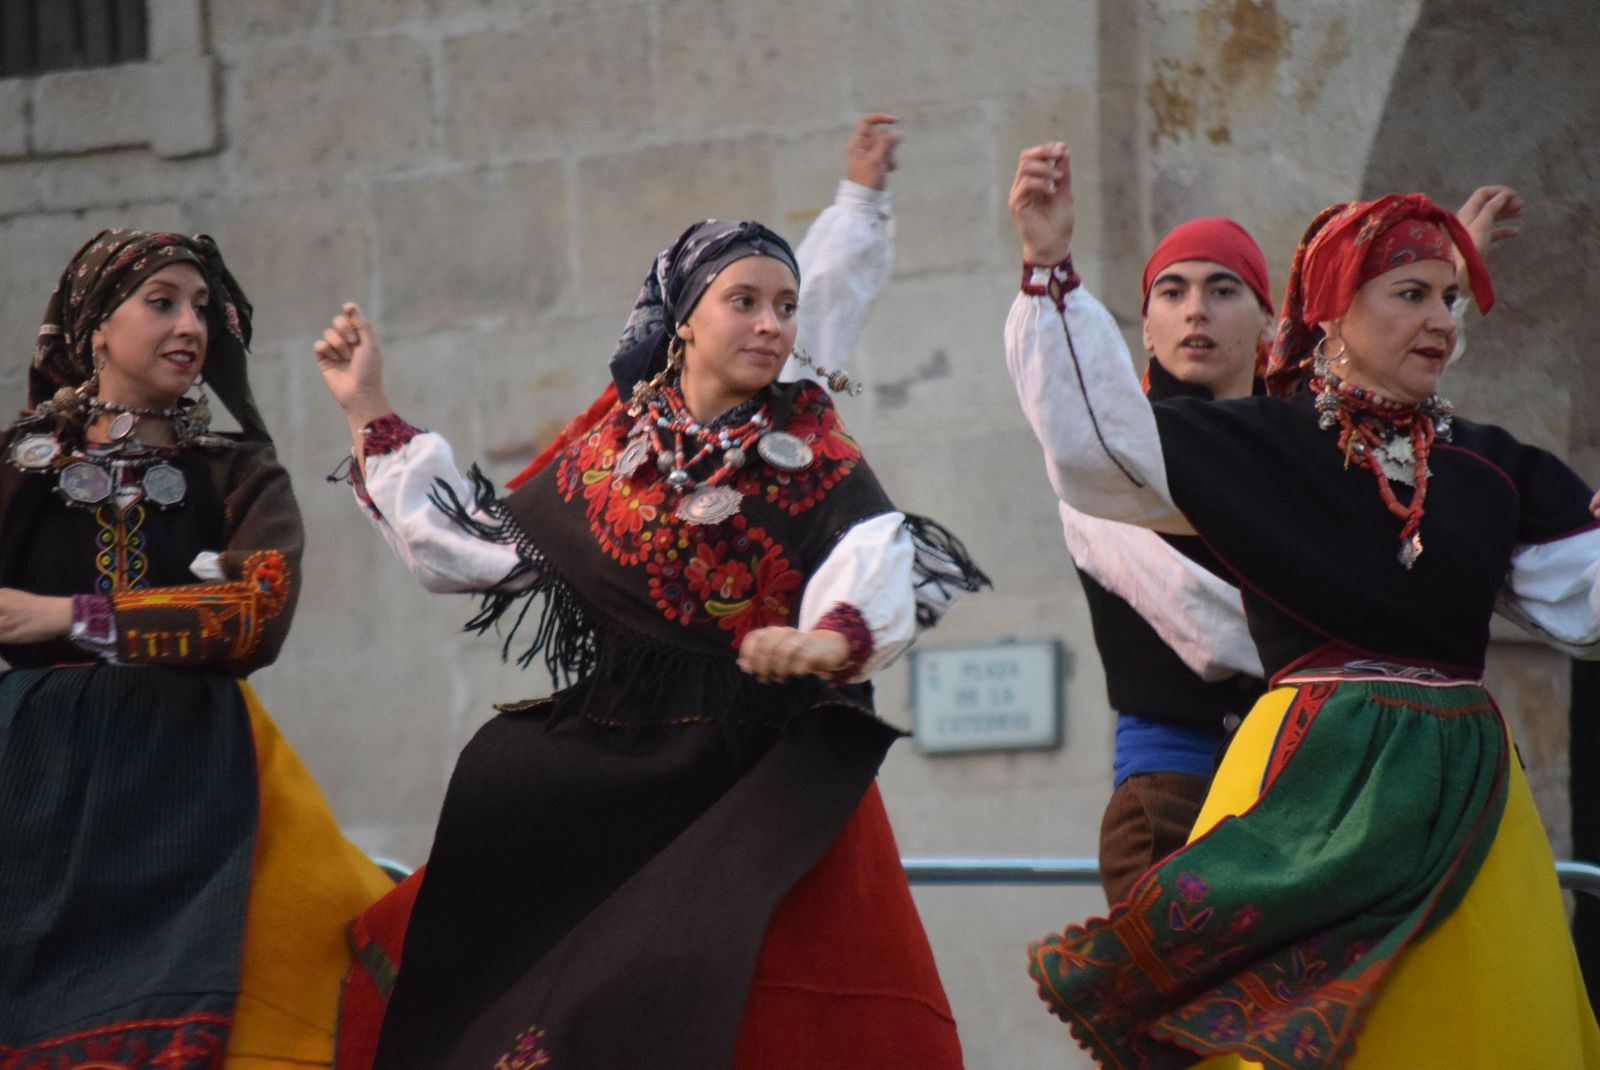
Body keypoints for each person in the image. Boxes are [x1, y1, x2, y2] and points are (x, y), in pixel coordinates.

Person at [313, 134, 985, 1068]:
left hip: (765, 781)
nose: (771, 324)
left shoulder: (814, 456)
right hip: (626, 769)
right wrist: (369, 410)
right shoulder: (606, 455)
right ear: (684, 322)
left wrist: (828, 644)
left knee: (766, 1020)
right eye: (743, 302)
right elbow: (474, 551)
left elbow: (871, 552)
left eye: (785, 308)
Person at [1008, 179, 1600, 1067]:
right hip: (1311, 775)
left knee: (1487, 1022)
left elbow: (1583, 597)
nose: (1440, 317)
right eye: (1411, 295)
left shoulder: (1487, 466)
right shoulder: (1266, 445)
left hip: (1465, 785)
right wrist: (1051, 267)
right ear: (1330, 312)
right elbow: (1097, 450)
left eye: (1449, 298)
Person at [1006, 144, 1524, 906]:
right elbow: (1217, 630)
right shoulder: (1118, 468)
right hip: (1179, 793)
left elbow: (1370, 407)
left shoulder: (1299, 446)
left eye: (1222, 290)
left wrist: (1429, 291)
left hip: (1313, 784)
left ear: (1265, 325)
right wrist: (1401, 651)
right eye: (1173, 293)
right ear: (1143, 328)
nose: (1195, 311)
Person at [0, 230, 392, 1068]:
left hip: (193, 773)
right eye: (163, 301)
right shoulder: (17, 467)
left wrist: (65, 616)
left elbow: (256, 613)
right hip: (30, 777)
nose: (191, 325)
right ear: (96, 327)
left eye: (204, 308)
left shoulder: (235, 471)